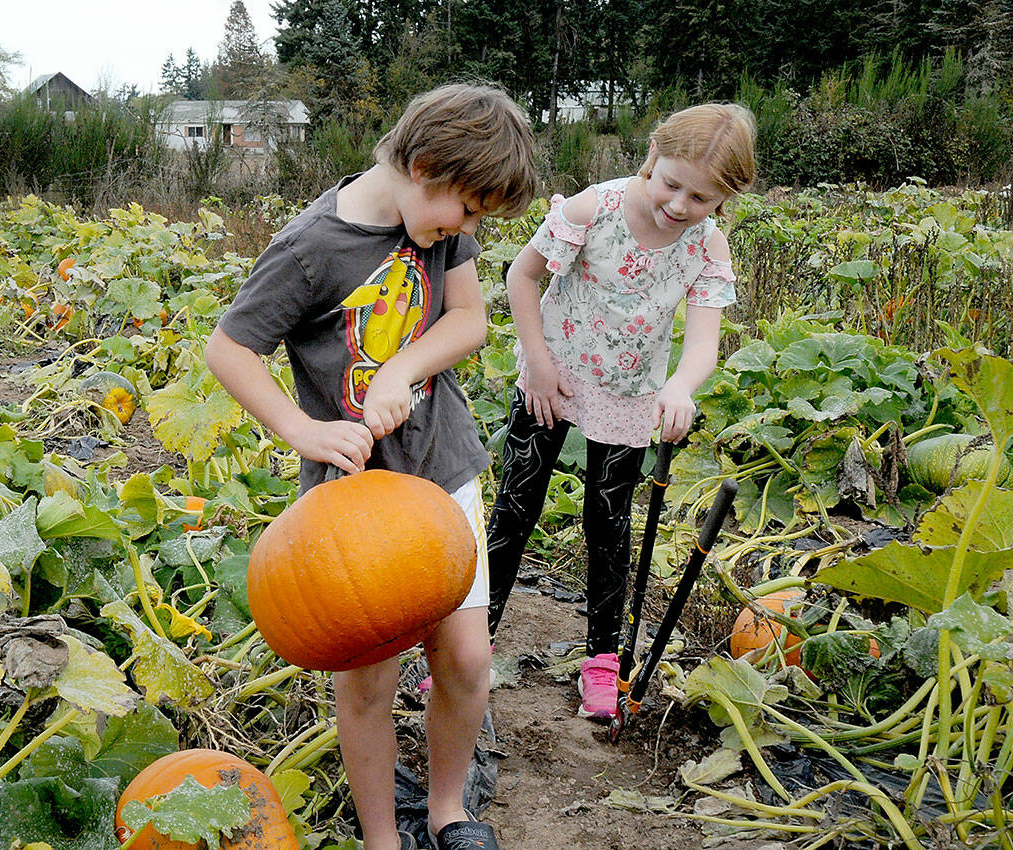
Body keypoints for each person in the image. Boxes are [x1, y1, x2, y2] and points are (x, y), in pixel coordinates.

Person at [206, 83, 536, 850]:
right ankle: (383, 837)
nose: (472, 228)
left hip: (441, 462)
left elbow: (468, 320)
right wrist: (304, 430)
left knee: (466, 654)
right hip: (354, 495)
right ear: (424, 167)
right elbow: (229, 348)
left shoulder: (442, 223)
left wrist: (402, 370)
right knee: (369, 679)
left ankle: (450, 811)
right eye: (471, 211)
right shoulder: (312, 247)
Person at [484, 103, 756, 721]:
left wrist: (680, 388)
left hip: (630, 392)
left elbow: (703, 341)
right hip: (551, 378)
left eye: (703, 197)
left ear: (725, 200)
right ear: (652, 157)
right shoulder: (593, 209)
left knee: (609, 525)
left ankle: (602, 663)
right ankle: (474, 643)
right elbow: (520, 278)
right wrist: (540, 362)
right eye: (671, 184)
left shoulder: (705, 246)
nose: (681, 205)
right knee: (516, 508)